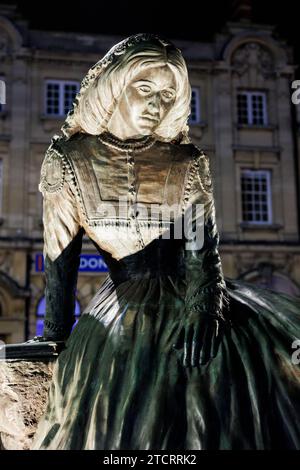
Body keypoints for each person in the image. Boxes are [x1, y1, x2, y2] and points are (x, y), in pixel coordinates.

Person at [31, 34, 300, 450]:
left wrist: (206, 310)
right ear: (116, 85)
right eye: (145, 89)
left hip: (197, 296)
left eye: (168, 94)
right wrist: (54, 336)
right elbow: (60, 260)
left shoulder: (187, 161)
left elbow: (203, 252)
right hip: (123, 301)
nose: (157, 105)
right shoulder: (68, 160)